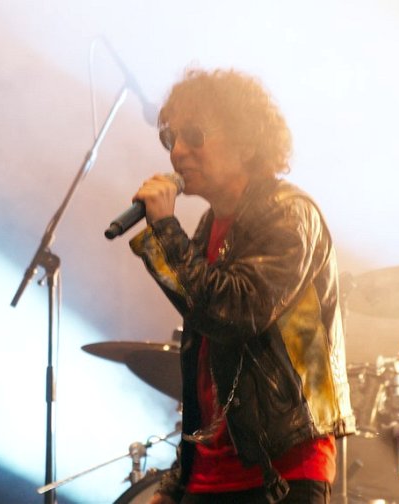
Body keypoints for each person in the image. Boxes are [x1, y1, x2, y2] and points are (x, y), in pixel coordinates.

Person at [128, 68, 356, 504]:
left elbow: (234, 312)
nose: (177, 152)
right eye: (171, 138)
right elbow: (206, 369)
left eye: (194, 135)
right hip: (209, 476)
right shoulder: (209, 227)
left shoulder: (290, 214)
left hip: (282, 472)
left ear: (247, 142)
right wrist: (178, 481)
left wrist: (165, 231)